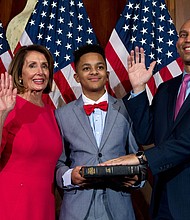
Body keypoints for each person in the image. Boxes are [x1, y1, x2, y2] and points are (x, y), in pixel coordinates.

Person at [100, 19, 190, 220]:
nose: (187, 40)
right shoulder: (167, 89)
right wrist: (139, 89)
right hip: (162, 202)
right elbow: (146, 134)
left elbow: (185, 143)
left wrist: (141, 159)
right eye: (183, 35)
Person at [55, 44, 141, 220]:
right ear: (77, 77)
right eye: (87, 68)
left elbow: (138, 156)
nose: (94, 72)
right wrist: (71, 176)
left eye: (99, 67)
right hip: (76, 209)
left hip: (119, 207)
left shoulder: (126, 109)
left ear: (107, 75)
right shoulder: (62, 114)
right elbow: (57, 163)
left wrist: (137, 178)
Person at [0, 44, 62, 220]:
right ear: (20, 74)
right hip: (11, 203)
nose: (40, 71)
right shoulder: (9, 105)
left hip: (44, 204)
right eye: (32, 65)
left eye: (44, 66)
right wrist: (1, 113)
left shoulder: (50, 112)